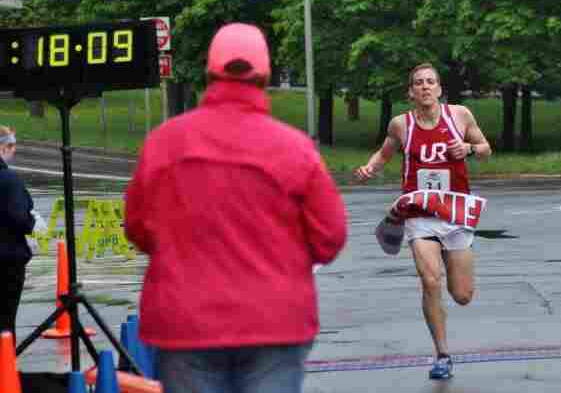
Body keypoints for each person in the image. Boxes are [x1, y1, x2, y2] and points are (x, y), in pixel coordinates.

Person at [124, 23, 347, 393]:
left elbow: (138, 226)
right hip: (274, 321)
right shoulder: (295, 149)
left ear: (210, 72)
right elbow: (330, 236)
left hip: (186, 323)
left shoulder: (165, 143)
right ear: (267, 75)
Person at [355, 63, 491, 380]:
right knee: (430, 281)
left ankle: (449, 325)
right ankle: (442, 354)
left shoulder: (460, 116)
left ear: (440, 89)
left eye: (431, 82)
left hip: (455, 212)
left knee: (462, 295)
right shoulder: (401, 125)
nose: (425, 86)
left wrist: (470, 148)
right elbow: (384, 153)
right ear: (411, 92)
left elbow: (486, 149)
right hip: (419, 213)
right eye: (419, 83)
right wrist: (369, 168)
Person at [0, 126, 35, 344]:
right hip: (7, 260)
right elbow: (20, 218)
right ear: (3, 147)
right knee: (5, 321)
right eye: (11, 146)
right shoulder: (9, 180)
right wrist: (32, 223)